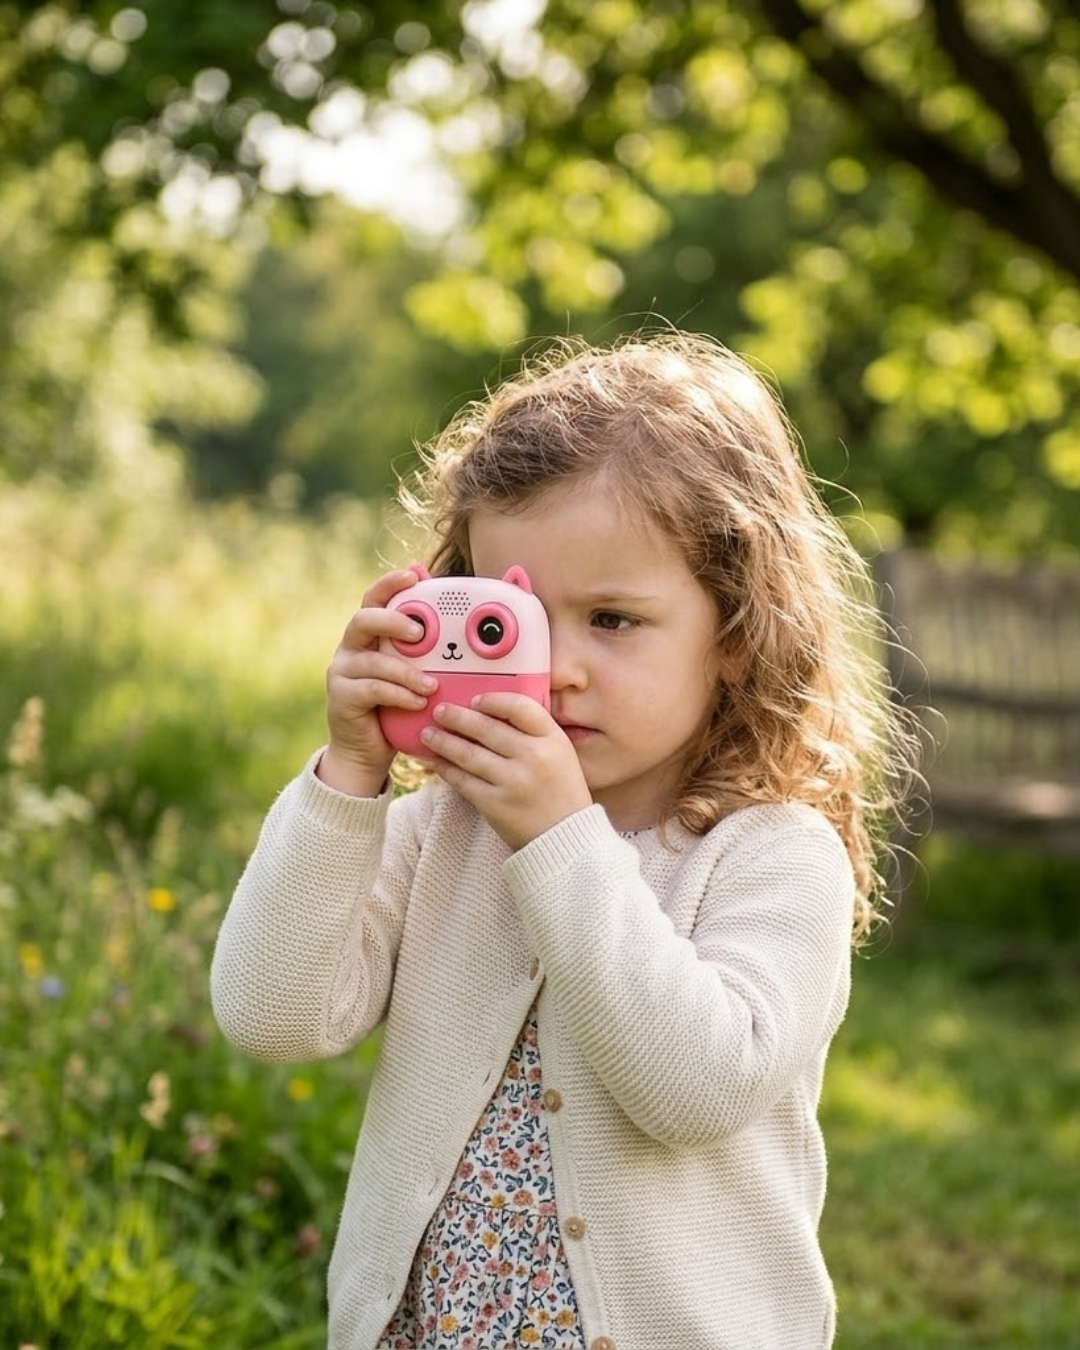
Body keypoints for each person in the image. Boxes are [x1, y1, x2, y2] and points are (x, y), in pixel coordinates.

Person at [211, 330, 916, 1350]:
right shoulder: (444, 832)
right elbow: (270, 1013)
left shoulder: (774, 855)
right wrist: (349, 778)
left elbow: (698, 1085)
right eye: (518, 620)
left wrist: (556, 835)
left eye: (615, 620)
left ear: (734, 635)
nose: (560, 670)